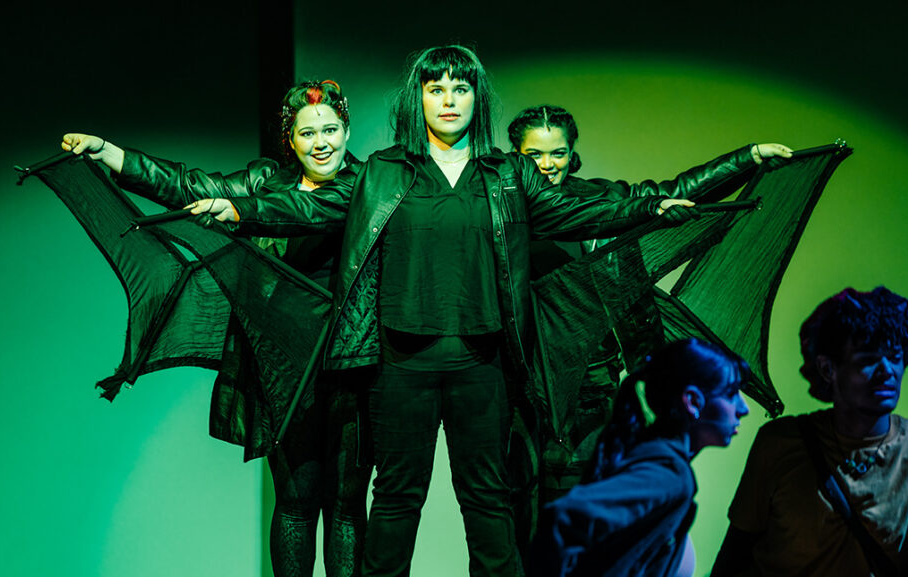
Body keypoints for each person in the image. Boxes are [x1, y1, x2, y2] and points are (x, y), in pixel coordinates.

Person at [187, 45, 759, 577]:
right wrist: (233, 208)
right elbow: (298, 207)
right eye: (436, 88)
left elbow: (593, 211)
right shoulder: (383, 172)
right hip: (400, 365)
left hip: (482, 364)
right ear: (419, 100)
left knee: (487, 504)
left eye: (460, 88)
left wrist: (674, 198)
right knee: (394, 504)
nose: (449, 99)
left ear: (476, 99)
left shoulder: (507, 174)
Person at [62, 80, 373, 577]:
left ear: (347, 130)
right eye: (307, 132)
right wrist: (109, 153)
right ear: (289, 141)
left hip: (351, 361)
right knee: (295, 500)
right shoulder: (263, 182)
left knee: (346, 502)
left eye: (331, 130)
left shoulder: (367, 185)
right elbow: (187, 184)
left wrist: (240, 212)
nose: (322, 143)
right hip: (284, 366)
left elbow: (306, 214)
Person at [504, 104, 792, 551]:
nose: (547, 165)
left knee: (587, 518)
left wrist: (748, 158)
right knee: (520, 514)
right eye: (535, 154)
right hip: (522, 388)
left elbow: (674, 192)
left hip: (593, 386)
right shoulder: (502, 213)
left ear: (572, 153)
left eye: (557, 153)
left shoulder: (600, 200)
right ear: (516, 157)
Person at [710, 286, 908, 576]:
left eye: (895, 356)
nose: (887, 371)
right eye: (868, 359)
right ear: (827, 368)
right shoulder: (779, 442)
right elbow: (734, 555)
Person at [530, 337, 752, 576]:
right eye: (731, 394)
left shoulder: (655, 456)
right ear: (693, 401)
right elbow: (564, 519)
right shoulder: (669, 473)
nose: (744, 408)